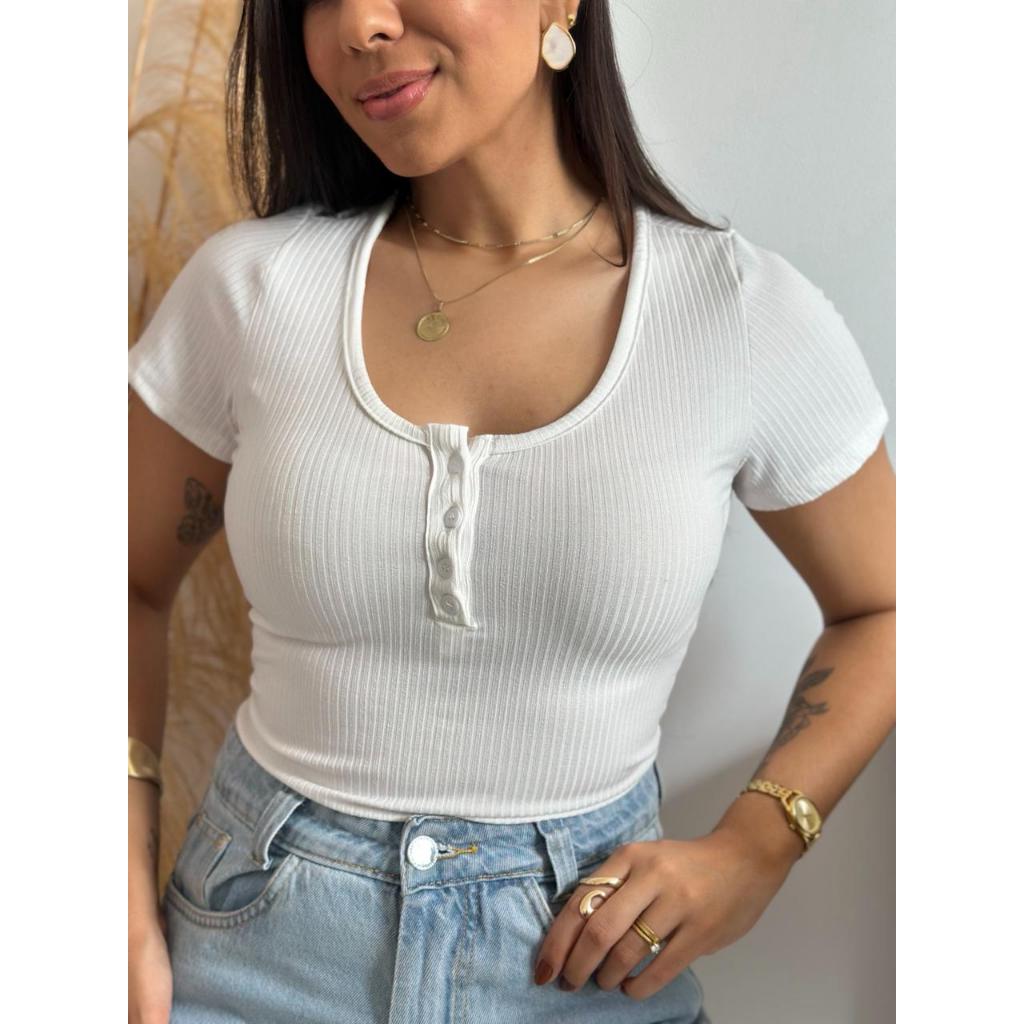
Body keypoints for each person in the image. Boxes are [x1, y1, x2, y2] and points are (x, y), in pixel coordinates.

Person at [128, 2, 896, 1022]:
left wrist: (759, 843)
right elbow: (120, 583)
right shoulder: (251, 293)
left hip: (587, 962)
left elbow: (889, 605)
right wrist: (111, 887)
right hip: (251, 950)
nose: (358, 25)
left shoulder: (737, 315)